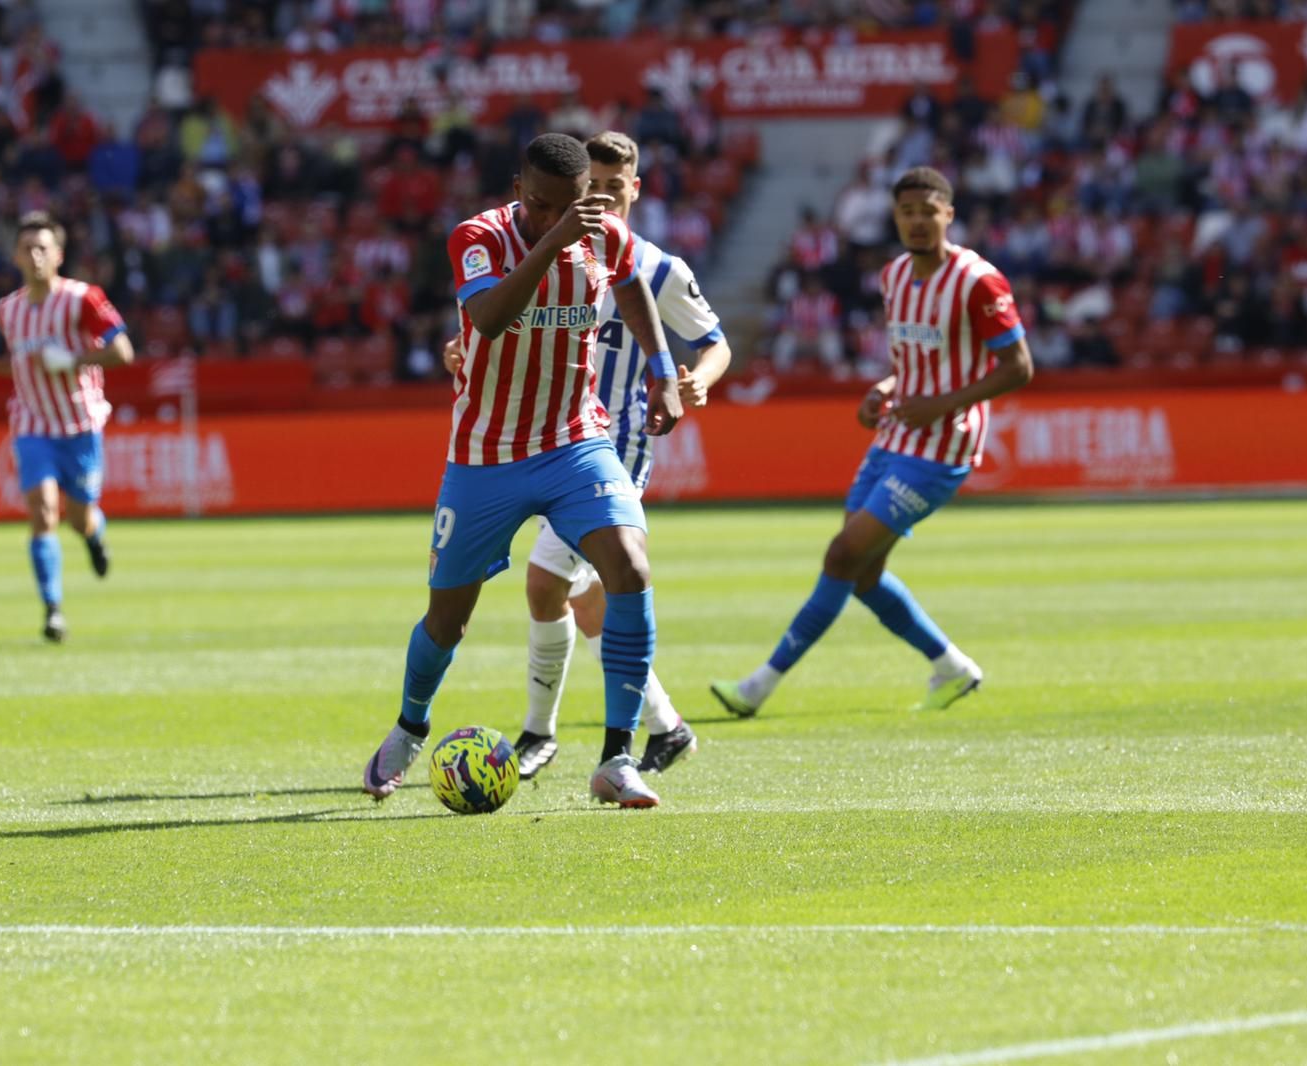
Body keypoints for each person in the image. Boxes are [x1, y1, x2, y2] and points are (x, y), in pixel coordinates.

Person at [362, 133, 685, 809]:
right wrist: (553, 239)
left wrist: (661, 373)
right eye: (538, 205)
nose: (551, 216)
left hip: (574, 442)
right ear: (518, 192)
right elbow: (488, 316)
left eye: (567, 206)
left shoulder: (607, 234)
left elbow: (633, 294)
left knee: (630, 566)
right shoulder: (476, 236)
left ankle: (617, 758)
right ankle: (409, 725)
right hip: (485, 455)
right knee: (446, 622)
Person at [443, 131, 730, 781]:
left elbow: (714, 342)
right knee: (588, 593)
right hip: (550, 437)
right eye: (588, 186)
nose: (597, 198)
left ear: (633, 189)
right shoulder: (553, 249)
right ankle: (665, 725)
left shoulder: (657, 268)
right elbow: (505, 314)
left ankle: (544, 734)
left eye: (610, 186)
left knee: (548, 582)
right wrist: (464, 347)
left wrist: (692, 379)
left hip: (615, 439)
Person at [712, 167, 1033, 717]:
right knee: (861, 574)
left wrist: (941, 404)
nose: (916, 221)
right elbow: (913, 360)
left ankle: (760, 685)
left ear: (948, 215)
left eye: (928, 211)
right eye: (907, 212)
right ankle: (952, 667)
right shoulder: (893, 277)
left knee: (842, 554)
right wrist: (884, 388)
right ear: (894, 216)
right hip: (895, 433)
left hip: (943, 447)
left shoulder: (978, 281)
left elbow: (1019, 367)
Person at [0, 213, 134, 642]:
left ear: (58, 256)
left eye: (44, 248)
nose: (36, 255)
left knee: (79, 518)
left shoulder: (83, 300)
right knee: (42, 513)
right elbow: (25, 366)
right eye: (28, 248)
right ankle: (53, 609)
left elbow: (123, 352)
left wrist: (73, 360)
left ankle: (94, 536)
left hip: (79, 424)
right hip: (32, 423)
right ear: (16, 256)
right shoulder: (7, 310)